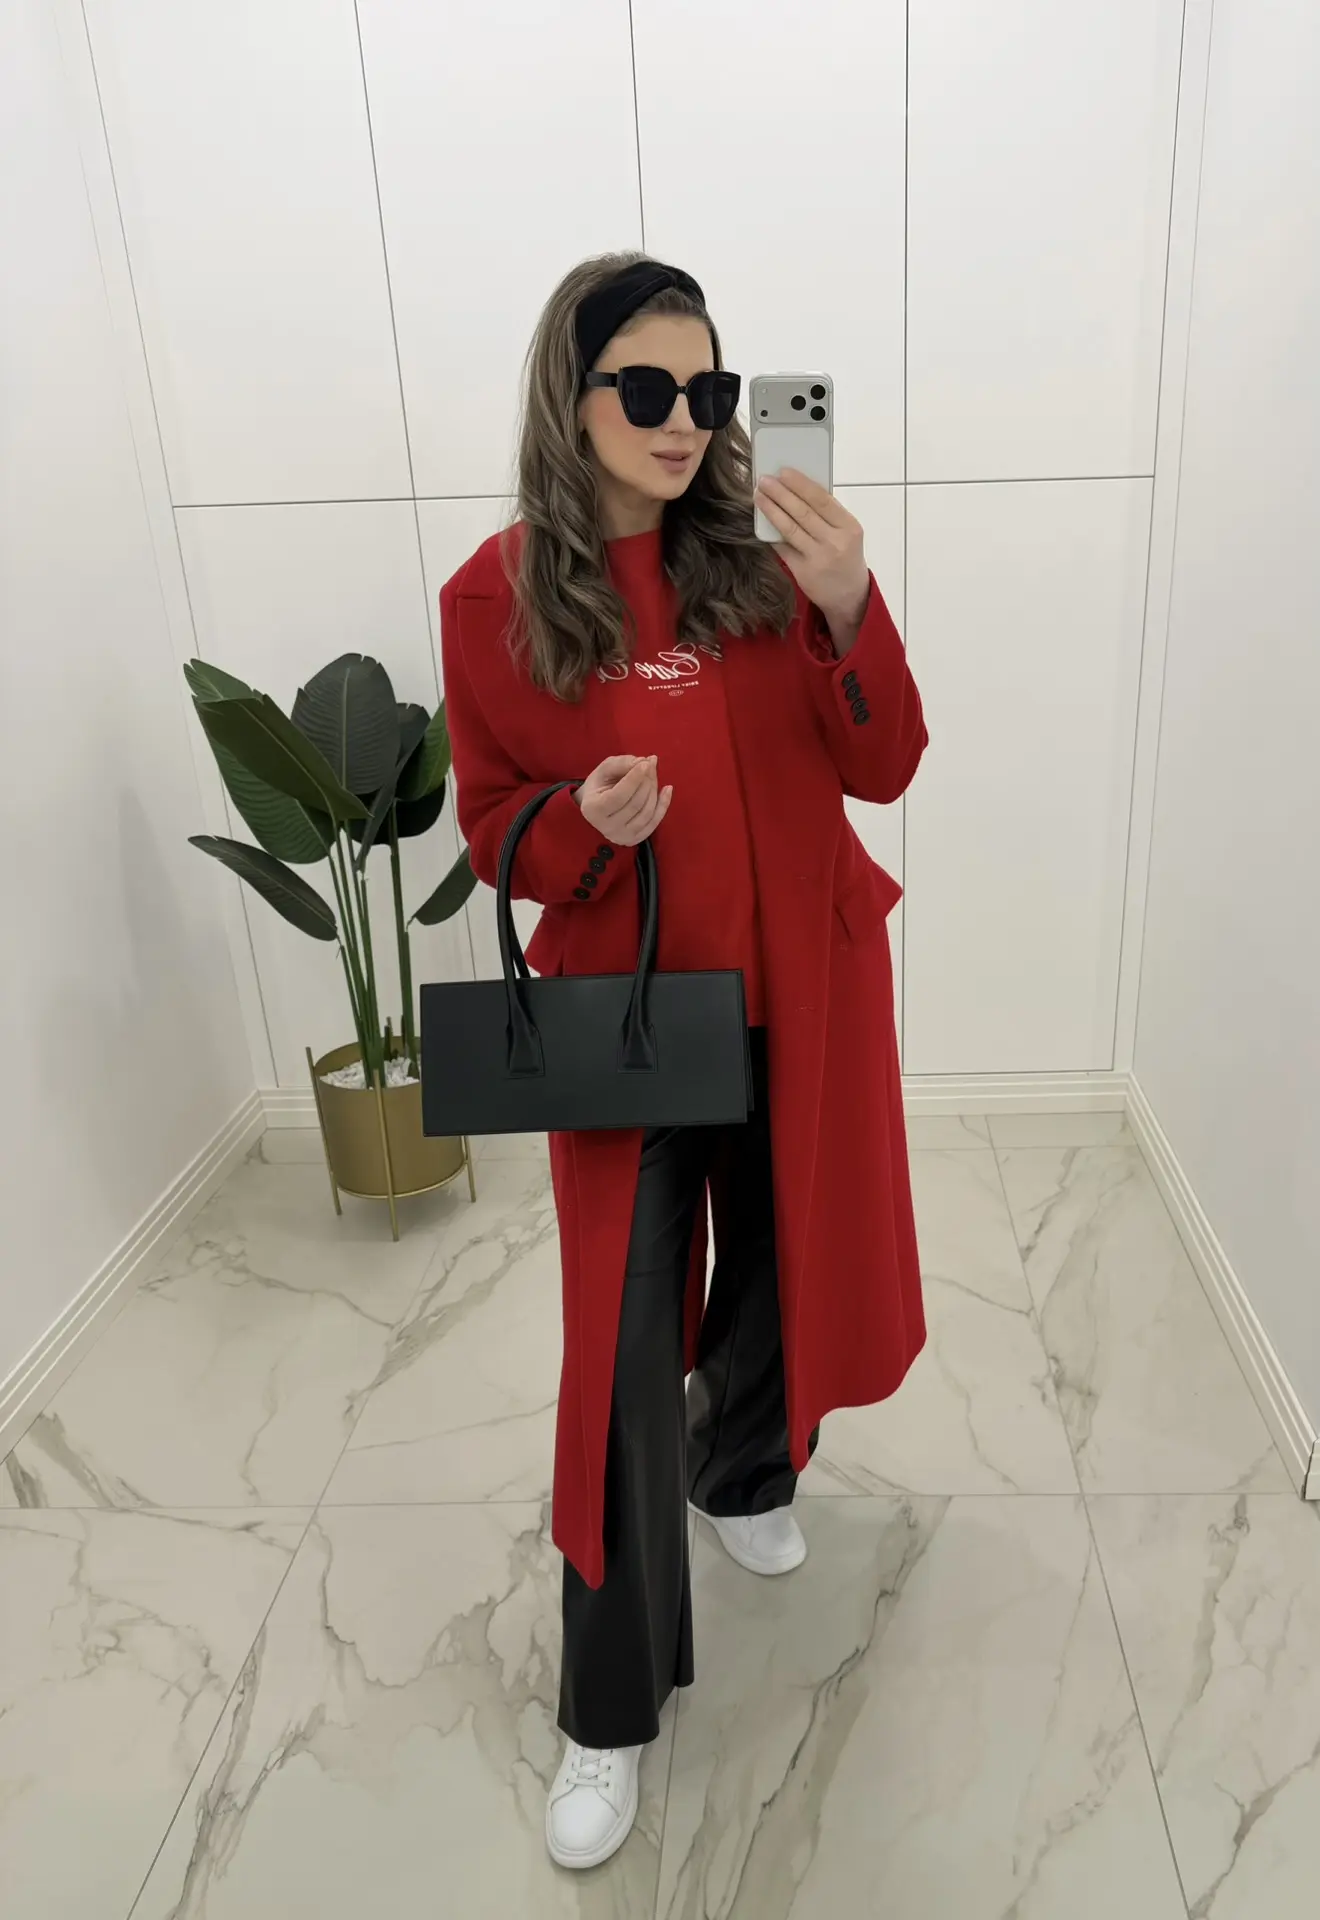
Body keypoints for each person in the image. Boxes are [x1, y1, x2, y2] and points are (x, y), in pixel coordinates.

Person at [439, 253, 927, 1871]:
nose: (683, 420)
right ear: (568, 398)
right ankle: (608, 1707)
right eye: (644, 388)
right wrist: (572, 826)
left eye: (706, 390)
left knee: (785, 1274)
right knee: (621, 1355)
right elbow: (491, 824)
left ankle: (746, 1470)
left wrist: (849, 607)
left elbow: (884, 762)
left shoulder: (771, 566)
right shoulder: (499, 597)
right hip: (630, 1019)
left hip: (801, 995)